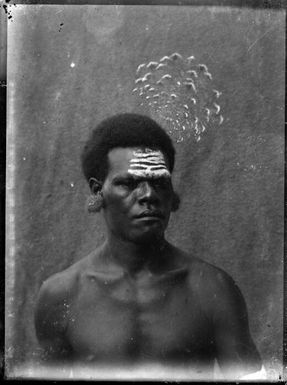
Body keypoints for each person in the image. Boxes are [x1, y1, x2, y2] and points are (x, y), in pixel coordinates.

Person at [34, 113, 264, 380]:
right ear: (98, 192)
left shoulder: (213, 288)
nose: (148, 195)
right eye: (128, 183)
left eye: (159, 182)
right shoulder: (61, 294)